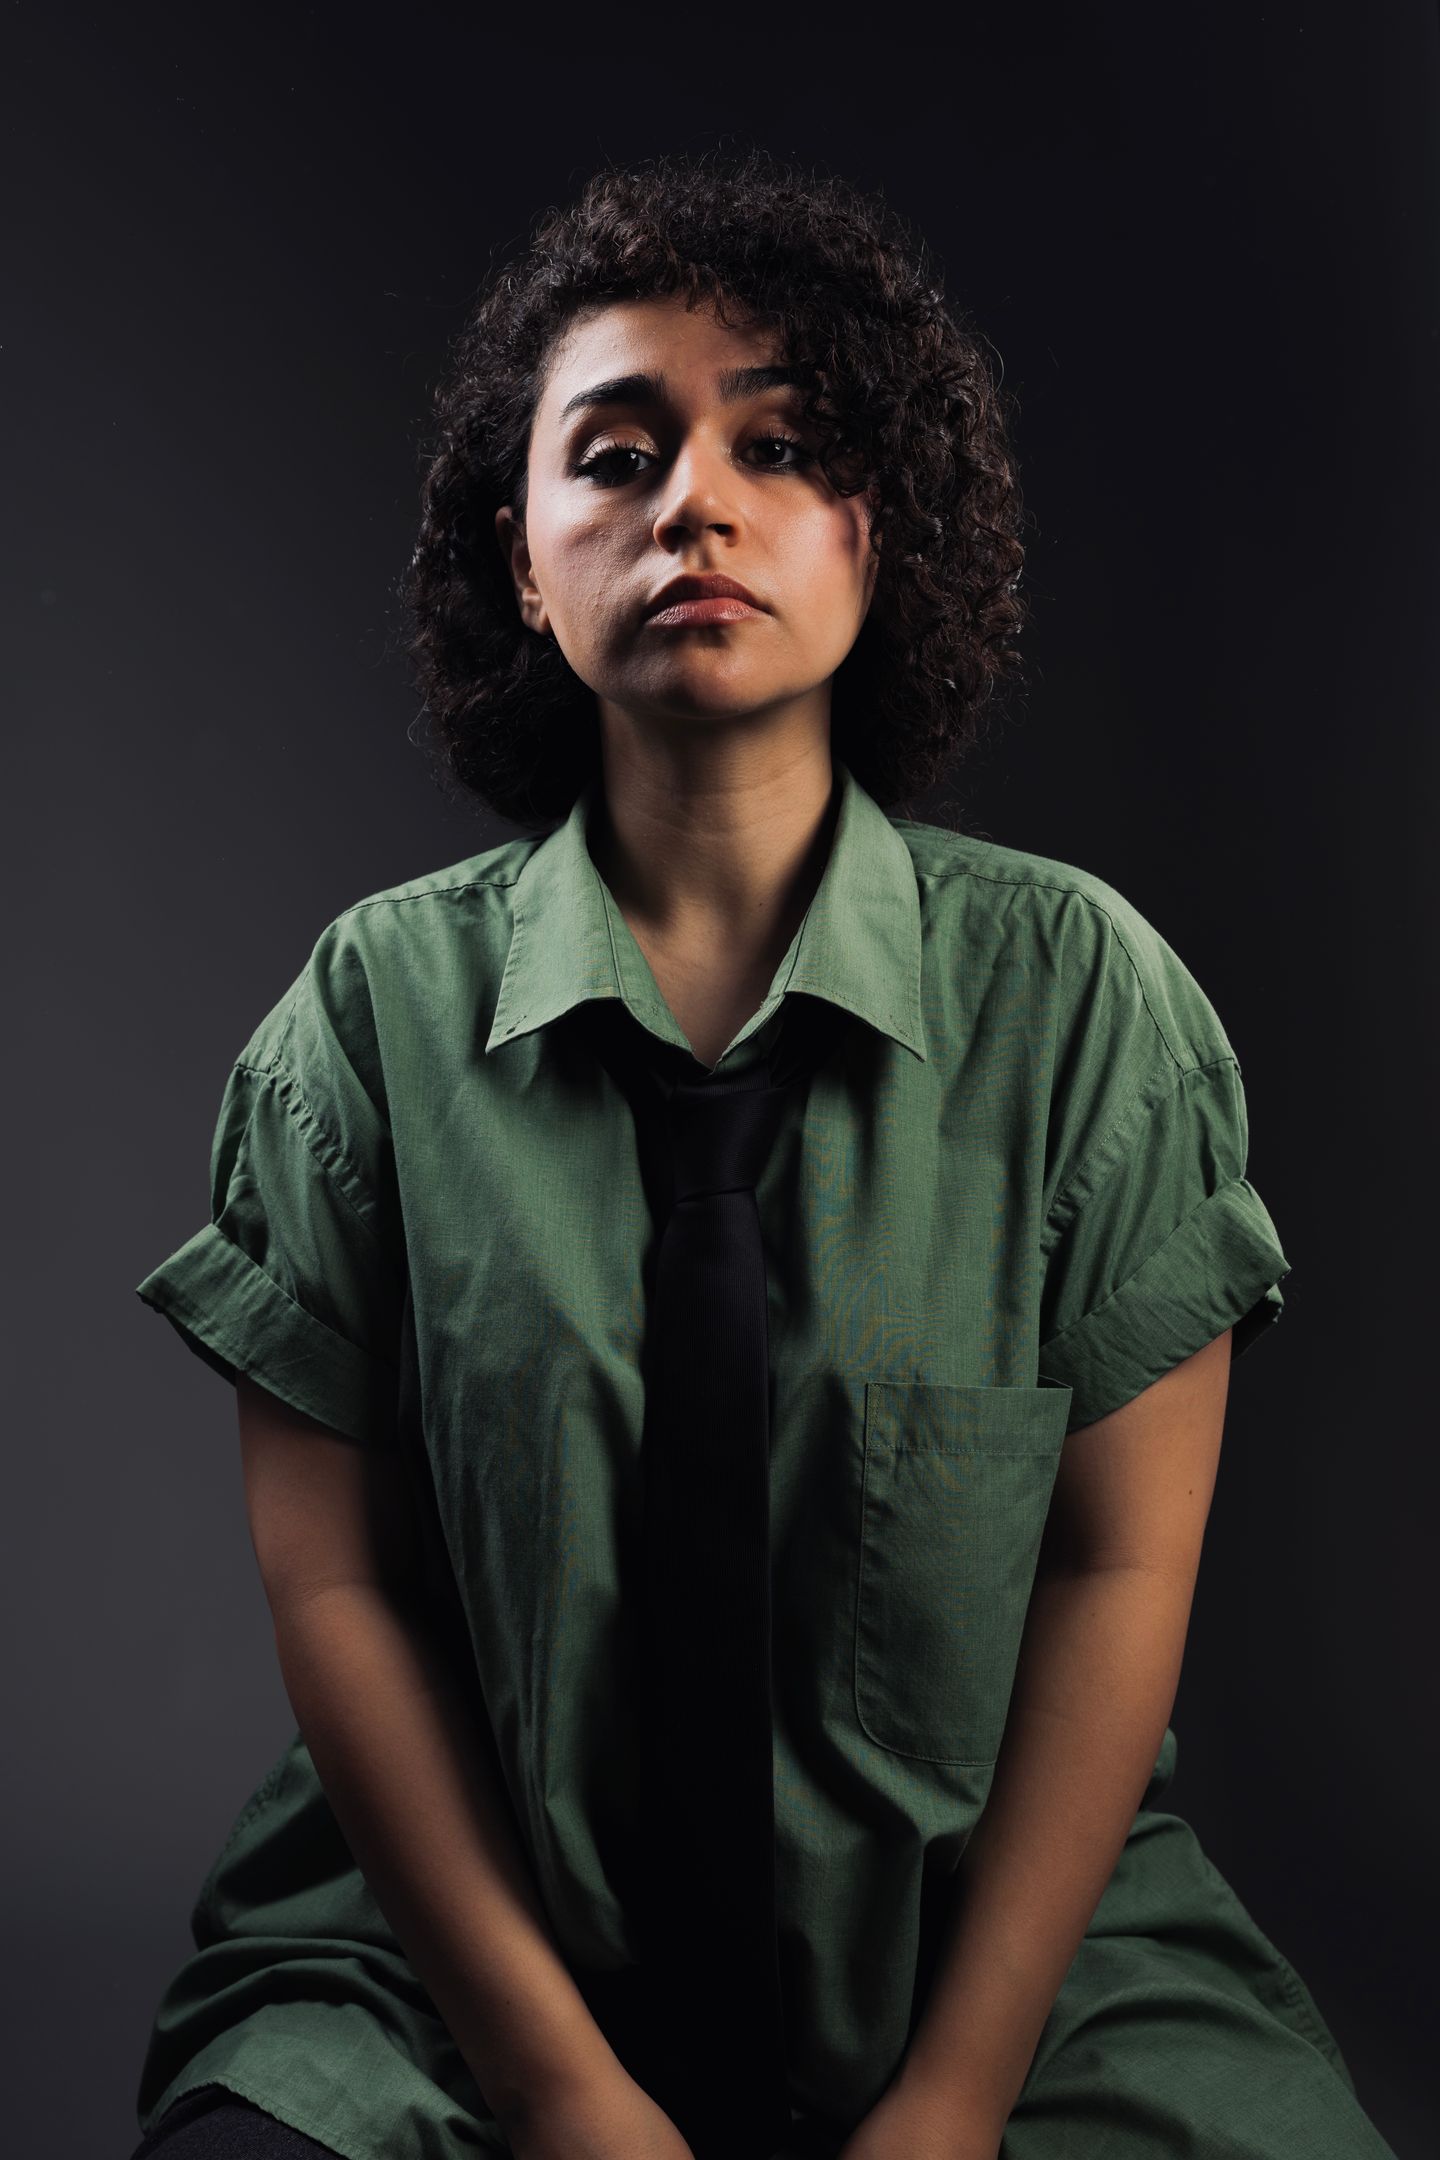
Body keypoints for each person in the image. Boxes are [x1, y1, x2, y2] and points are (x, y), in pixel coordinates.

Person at [125, 147, 1397, 2160]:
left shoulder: (1085, 1005)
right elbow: (337, 1588)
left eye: (781, 446)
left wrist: (955, 2098)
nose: (693, 505)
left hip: (997, 1960)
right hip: (451, 1960)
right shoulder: (363, 1023)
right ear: (522, 565)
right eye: (615, 458)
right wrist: (552, 2083)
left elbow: (1117, 1564)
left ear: (882, 534)